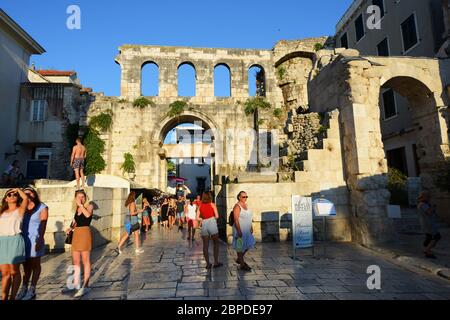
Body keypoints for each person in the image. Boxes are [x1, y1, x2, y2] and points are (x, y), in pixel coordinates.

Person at [16, 188, 48, 300]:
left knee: (35, 264)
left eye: (30, 192)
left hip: (35, 238)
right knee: (26, 266)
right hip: (23, 238)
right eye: (25, 193)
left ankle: (32, 288)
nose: (28, 194)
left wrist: (40, 239)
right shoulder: (21, 207)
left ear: (34, 194)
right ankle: (24, 288)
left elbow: (43, 224)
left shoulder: (42, 207)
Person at [62, 190, 94, 298]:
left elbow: (88, 216)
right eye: (78, 197)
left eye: (83, 197)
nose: (81, 198)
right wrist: (70, 229)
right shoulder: (76, 209)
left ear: (85, 198)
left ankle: (86, 285)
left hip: (85, 233)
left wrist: (81, 205)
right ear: (75, 198)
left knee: (85, 260)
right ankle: (75, 284)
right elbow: (76, 222)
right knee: (75, 261)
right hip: (76, 235)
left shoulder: (89, 206)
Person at [0, 188, 28, 300]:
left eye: (14, 194)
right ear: (6, 199)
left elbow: (25, 198)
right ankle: (4, 296)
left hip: (15, 240)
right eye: (9, 194)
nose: (12, 196)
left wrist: (17, 189)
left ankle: (13, 296)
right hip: (2, 241)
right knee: (5, 273)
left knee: (14, 271)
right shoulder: (1, 212)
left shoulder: (20, 210)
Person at [196, 191, 222, 269]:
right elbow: (217, 216)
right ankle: (216, 262)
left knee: (205, 245)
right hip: (212, 222)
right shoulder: (212, 204)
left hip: (204, 223)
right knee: (216, 243)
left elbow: (197, 217)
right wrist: (212, 218)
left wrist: (203, 218)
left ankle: (208, 263)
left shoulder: (200, 205)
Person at [232, 191, 255, 271]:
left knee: (250, 243)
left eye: (246, 197)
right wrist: (238, 230)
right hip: (240, 229)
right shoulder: (237, 206)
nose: (245, 198)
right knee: (240, 247)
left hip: (247, 229)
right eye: (243, 197)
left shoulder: (246, 205)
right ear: (239, 197)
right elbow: (236, 219)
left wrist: (251, 227)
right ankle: (242, 264)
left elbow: (249, 217)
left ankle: (239, 258)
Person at [417, 191, 441, 259]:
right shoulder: (423, 204)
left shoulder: (423, 204)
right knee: (437, 236)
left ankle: (427, 248)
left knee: (429, 237)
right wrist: (433, 207)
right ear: (424, 197)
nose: (429, 198)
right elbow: (429, 212)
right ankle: (427, 250)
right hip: (428, 224)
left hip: (428, 223)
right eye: (428, 196)